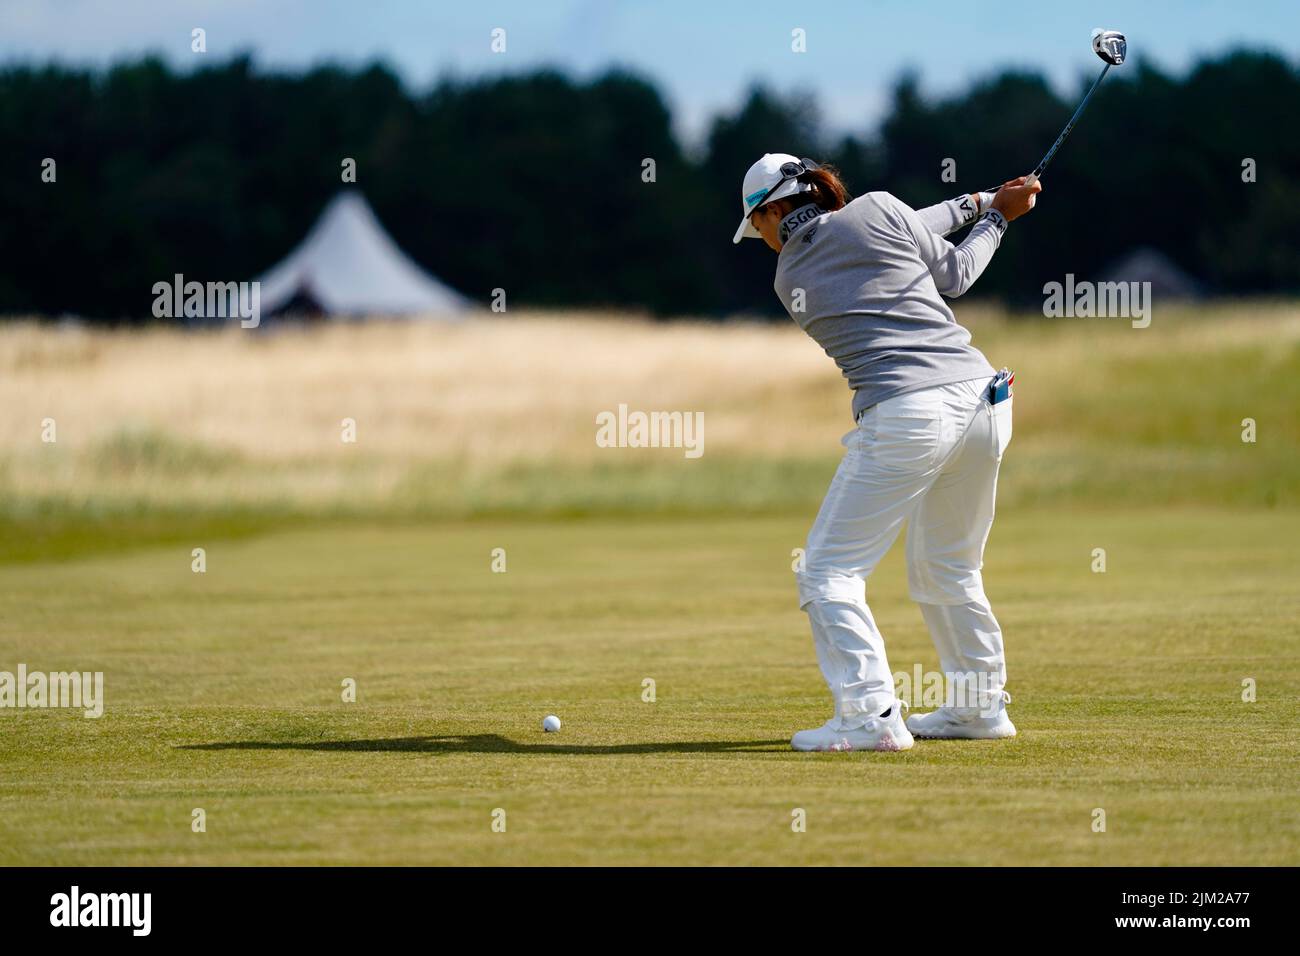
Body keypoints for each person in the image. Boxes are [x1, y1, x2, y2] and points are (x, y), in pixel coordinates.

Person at [732, 153, 1041, 752]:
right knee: (949, 566)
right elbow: (953, 273)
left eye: (758, 227)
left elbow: (897, 228)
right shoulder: (875, 210)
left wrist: (985, 202)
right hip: (983, 400)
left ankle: (870, 718)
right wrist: (997, 217)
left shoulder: (790, 277)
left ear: (774, 209)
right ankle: (978, 707)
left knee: (827, 572)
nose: (762, 241)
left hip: (910, 413)